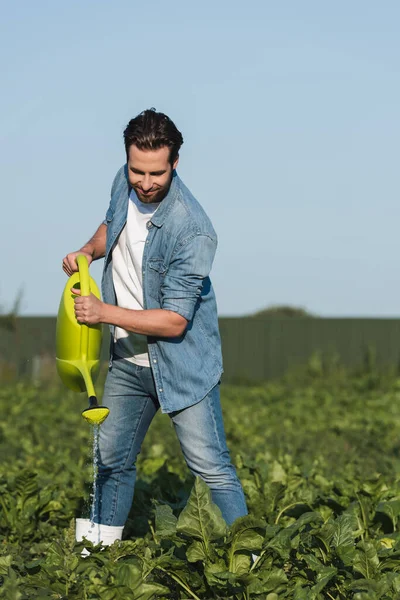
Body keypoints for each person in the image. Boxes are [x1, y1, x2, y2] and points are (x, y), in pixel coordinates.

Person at [62, 108, 247, 546]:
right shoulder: (122, 181)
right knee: (111, 458)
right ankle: (102, 551)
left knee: (210, 464)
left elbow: (175, 320)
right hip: (128, 357)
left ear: (175, 164)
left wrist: (103, 312)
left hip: (182, 365)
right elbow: (113, 222)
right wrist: (88, 251)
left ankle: (252, 556)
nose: (145, 183)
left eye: (156, 174)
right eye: (137, 171)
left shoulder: (193, 230)